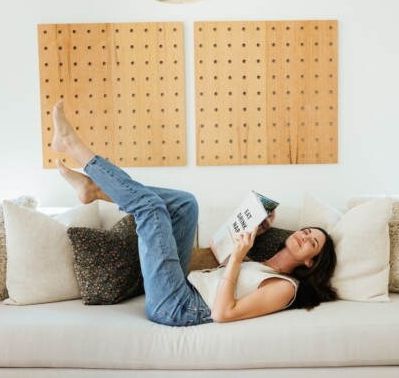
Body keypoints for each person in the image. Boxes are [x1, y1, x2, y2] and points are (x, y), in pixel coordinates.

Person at [51, 100, 337, 327]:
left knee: (151, 210)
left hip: (179, 307)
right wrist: (256, 230)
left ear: (310, 262)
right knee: (186, 204)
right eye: (307, 231)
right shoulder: (264, 265)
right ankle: (94, 191)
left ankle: (75, 148)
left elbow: (224, 313)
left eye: (312, 242)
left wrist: (237, 259)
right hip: (183, 285)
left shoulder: (286, 288)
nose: (303, 236)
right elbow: (217, 249)